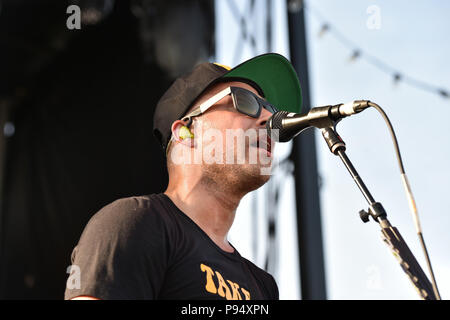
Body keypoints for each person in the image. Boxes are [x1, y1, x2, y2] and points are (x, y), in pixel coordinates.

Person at [64, 53, 302, 300]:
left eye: (270, 109)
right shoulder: (133, 223)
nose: (270, 120)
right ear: (186, 132)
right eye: (244, 101)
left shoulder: (263, 286)